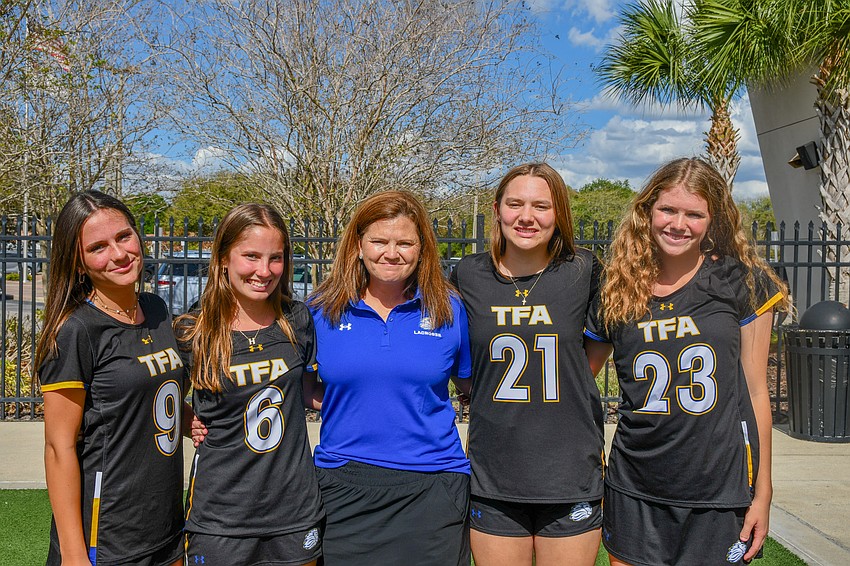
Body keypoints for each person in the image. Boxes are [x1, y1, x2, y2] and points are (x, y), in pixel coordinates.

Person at [583, 157, 789, 566]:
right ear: (647, 211)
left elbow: (756, 392)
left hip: (718, 486)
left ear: (713, 220)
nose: (679, 224)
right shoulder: (616, 288)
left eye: (694, 214)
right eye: (668, 210)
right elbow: (580, 379)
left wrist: (763, 491)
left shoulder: (742, 281)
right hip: (634, 483)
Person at [450, 163, 607, 566]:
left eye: (541, 206)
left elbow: (588, 360)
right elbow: (456, 357)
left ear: (559, 213)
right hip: (494, 469)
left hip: (569, 468)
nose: (526, 216)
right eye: (515, 204)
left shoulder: (584, 270)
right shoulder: (467, 274)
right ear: (497, 209)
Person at [306, 190, 472, 565]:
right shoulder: (320, 311)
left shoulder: (450, 309)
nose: (391, 253)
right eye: (379, 241)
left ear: (422, 248)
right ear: (358, 246)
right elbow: (295, 385)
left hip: (433, 484)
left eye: (405, 243)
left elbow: (472, 386)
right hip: (343, 483)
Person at [36, 191, 188, 566]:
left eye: (123, 236)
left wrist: (191, 420)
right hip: (106, 539)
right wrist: (74, 553)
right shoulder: (76, 330)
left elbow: (147, 399)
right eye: (98, 247)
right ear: (78, 262)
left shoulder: (155, 308)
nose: (119, 254)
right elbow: (58, 447)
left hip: (166, 525)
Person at [177, 204, 323, 566]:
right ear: (223, 258)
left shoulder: (297, 319)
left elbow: (311, 392)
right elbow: (156, 397)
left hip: (294, 511)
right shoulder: (193, 331)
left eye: (276, 258)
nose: (264, 271)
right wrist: (189, 421)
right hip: (220, 516)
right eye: (251, 256)